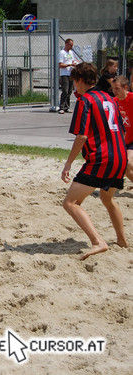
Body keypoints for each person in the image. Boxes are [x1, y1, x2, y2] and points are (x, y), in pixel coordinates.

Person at [61, 63, 128, 261]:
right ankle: (122, 241)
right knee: (108, 199)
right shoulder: (109, 98)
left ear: (81, 80)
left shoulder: (86, 101)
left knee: (70, 203)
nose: (75, 86)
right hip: (120, 156)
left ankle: (98, 242)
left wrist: (68, 164)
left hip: (101, 159)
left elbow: (81, 136)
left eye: (75, 81)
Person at [111, 75, 133, 181]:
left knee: (128, 163)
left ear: (125, 88)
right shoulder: (113, 101)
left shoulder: (132, 99)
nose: (114, 91)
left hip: (131, 140)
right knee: (122, 166)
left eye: (117, 88)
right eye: (113, 88)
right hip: (121, 141)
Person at [58, 39, 78, 114]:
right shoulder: (62, 53)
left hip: (70, 74)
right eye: (70, 45)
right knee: (65, 91)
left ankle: (67, 107)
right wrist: (70, 65)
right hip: (64, 74)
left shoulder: (71, 53)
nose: (71, 46)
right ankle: (61, 107)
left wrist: (74, 63)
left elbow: (73, 61)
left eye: (72, 45)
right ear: (66, 44)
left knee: (69, 91)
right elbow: (60, 65)